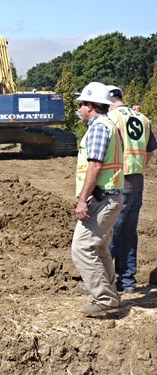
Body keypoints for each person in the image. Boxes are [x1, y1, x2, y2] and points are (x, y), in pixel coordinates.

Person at [71, 82, 124, 317]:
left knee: (82, 247)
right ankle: (109, 292)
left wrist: (82, 200)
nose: (79, 110)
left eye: (81, 105)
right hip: (108, 196)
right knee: (100, 247)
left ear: (90, 106)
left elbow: (95, 165)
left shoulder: (99, 128)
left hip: (104, 197)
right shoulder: (106, 125)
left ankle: (104, 299)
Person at [106, 85, 156, 294]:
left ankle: (103, 281)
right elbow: (151, 149)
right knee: (128, 233)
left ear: (109, 101)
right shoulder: (142, 118)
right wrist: (139, 168)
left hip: (117, 182)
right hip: (137, 182)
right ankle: (127, 282)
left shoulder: (111, 119)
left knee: (110, 233)